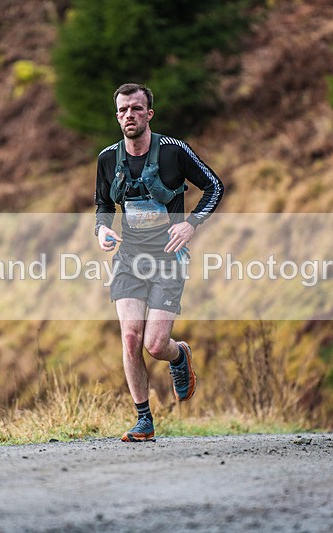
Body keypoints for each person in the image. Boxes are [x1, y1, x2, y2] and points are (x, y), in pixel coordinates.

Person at [94, 83, 224, 442]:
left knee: (155, 344)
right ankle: (143, 420)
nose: (128, 116)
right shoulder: (108, 158)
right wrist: (102, 231)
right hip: (128, 259)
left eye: (136, 108)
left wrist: (191, 223)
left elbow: (215, 186)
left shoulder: (173, 151)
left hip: (169, 258)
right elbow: (103, 204)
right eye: (122, 110)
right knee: (130, 336)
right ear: (117, 115)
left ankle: (179, 355)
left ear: (149, 113)